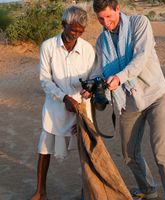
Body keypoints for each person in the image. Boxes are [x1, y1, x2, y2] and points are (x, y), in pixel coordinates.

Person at [83, 0, 165, 199]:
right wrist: (91, 86)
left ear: (118, 9)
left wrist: (119, 77)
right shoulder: (102, 41)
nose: (106, 22)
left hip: (155, 95)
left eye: (109, 16)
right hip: (128, 102)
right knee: (129, 155)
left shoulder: (140, 23)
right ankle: (148, 189)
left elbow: (141, 58)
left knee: (162, 154)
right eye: (101, 19)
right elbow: (101, 68)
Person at [31, 6, 95, 200]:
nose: (75, 35)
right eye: (72, 30)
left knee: (86, 153)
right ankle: (40, 192)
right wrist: (64, 98)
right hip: (55, 108)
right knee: (44, 150)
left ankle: (87, 192)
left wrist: (88, 90)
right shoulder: (48, 47)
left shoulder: (87, 50)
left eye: (80, 32)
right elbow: (45, 80)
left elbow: (92, 79)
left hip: (81, 109)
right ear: (63, 25)